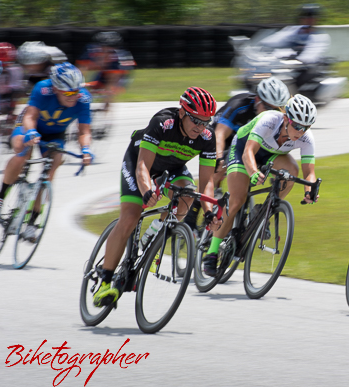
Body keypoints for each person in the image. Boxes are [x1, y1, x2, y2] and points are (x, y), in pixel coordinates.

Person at [92, 87, 221, 307]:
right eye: (196, 121)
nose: (200, 128)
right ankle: (105, 281)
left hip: (171, 168)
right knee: (130, 217)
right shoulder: (162, 123)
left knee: (187, 198)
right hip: (139, 162)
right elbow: (143, 165)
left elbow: (207, 182)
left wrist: (209, 213)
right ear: (182, 113)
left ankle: (153, 235)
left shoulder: (207, 137)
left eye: (205, 122)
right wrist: (147, 191)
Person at [202, 94, 319, 276]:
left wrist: (309, 190)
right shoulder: (269, 120)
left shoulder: (306, 138)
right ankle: (212, 252)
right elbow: (248, 151)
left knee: (292, 172)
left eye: (306, 127)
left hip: (270, 154)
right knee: (236, 201)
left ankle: (265, 208)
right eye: (297, 126)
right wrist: (253, 172)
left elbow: (309, 173)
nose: (300, 132)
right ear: (286, 118)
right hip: (243, 149)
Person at [0, 62, 93, 239]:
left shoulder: (83, 99)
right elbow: (29, 116)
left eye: (77, 91)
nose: (74, 96)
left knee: (53, 165)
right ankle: (0, 197)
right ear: (56, 88)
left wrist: (86, 149)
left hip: (55, 133)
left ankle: (33, 221)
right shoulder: (43, 89)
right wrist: (31, 132)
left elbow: (84, 131)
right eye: (68, 93)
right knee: (21, 152)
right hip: (31, 125)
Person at [182, 76, 290, 233]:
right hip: (223, 139)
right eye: (268, 108)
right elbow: (219, 135)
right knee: (218, 167)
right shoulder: (240, 106)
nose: (273, 113)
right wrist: (218, 157)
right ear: (258, 100)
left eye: (278, 109)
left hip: (249, 145)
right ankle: (192, 216)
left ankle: (260, 215)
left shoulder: (277, 120)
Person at [257, 4, 330, 96]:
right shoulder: (293, 31)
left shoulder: (319, 36)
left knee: (294, 78)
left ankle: (295, 99)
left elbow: (312, 52)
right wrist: (261, 47)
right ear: (301, 18)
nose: (309, 20)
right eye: (306, 17)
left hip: (308, 66)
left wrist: (300, 60)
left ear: (316, 19)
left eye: (311, 17)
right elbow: (276, 39)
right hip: (289, 63)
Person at [76, 31, 135, 113]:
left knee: (110, 89)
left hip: (120, 74)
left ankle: (106, 112)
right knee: (89, 87)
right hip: (104, 71)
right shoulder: (92, 51)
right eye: (101, 48)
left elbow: (113, 80)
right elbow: (81, 69)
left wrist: (107, 94)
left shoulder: (120, 57)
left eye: (108, 49)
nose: (103, 51)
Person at [0, 43, 24, 129]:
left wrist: (11, 112)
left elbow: (16, 92)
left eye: (6, 64)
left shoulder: (16, 71)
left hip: (6, 102)